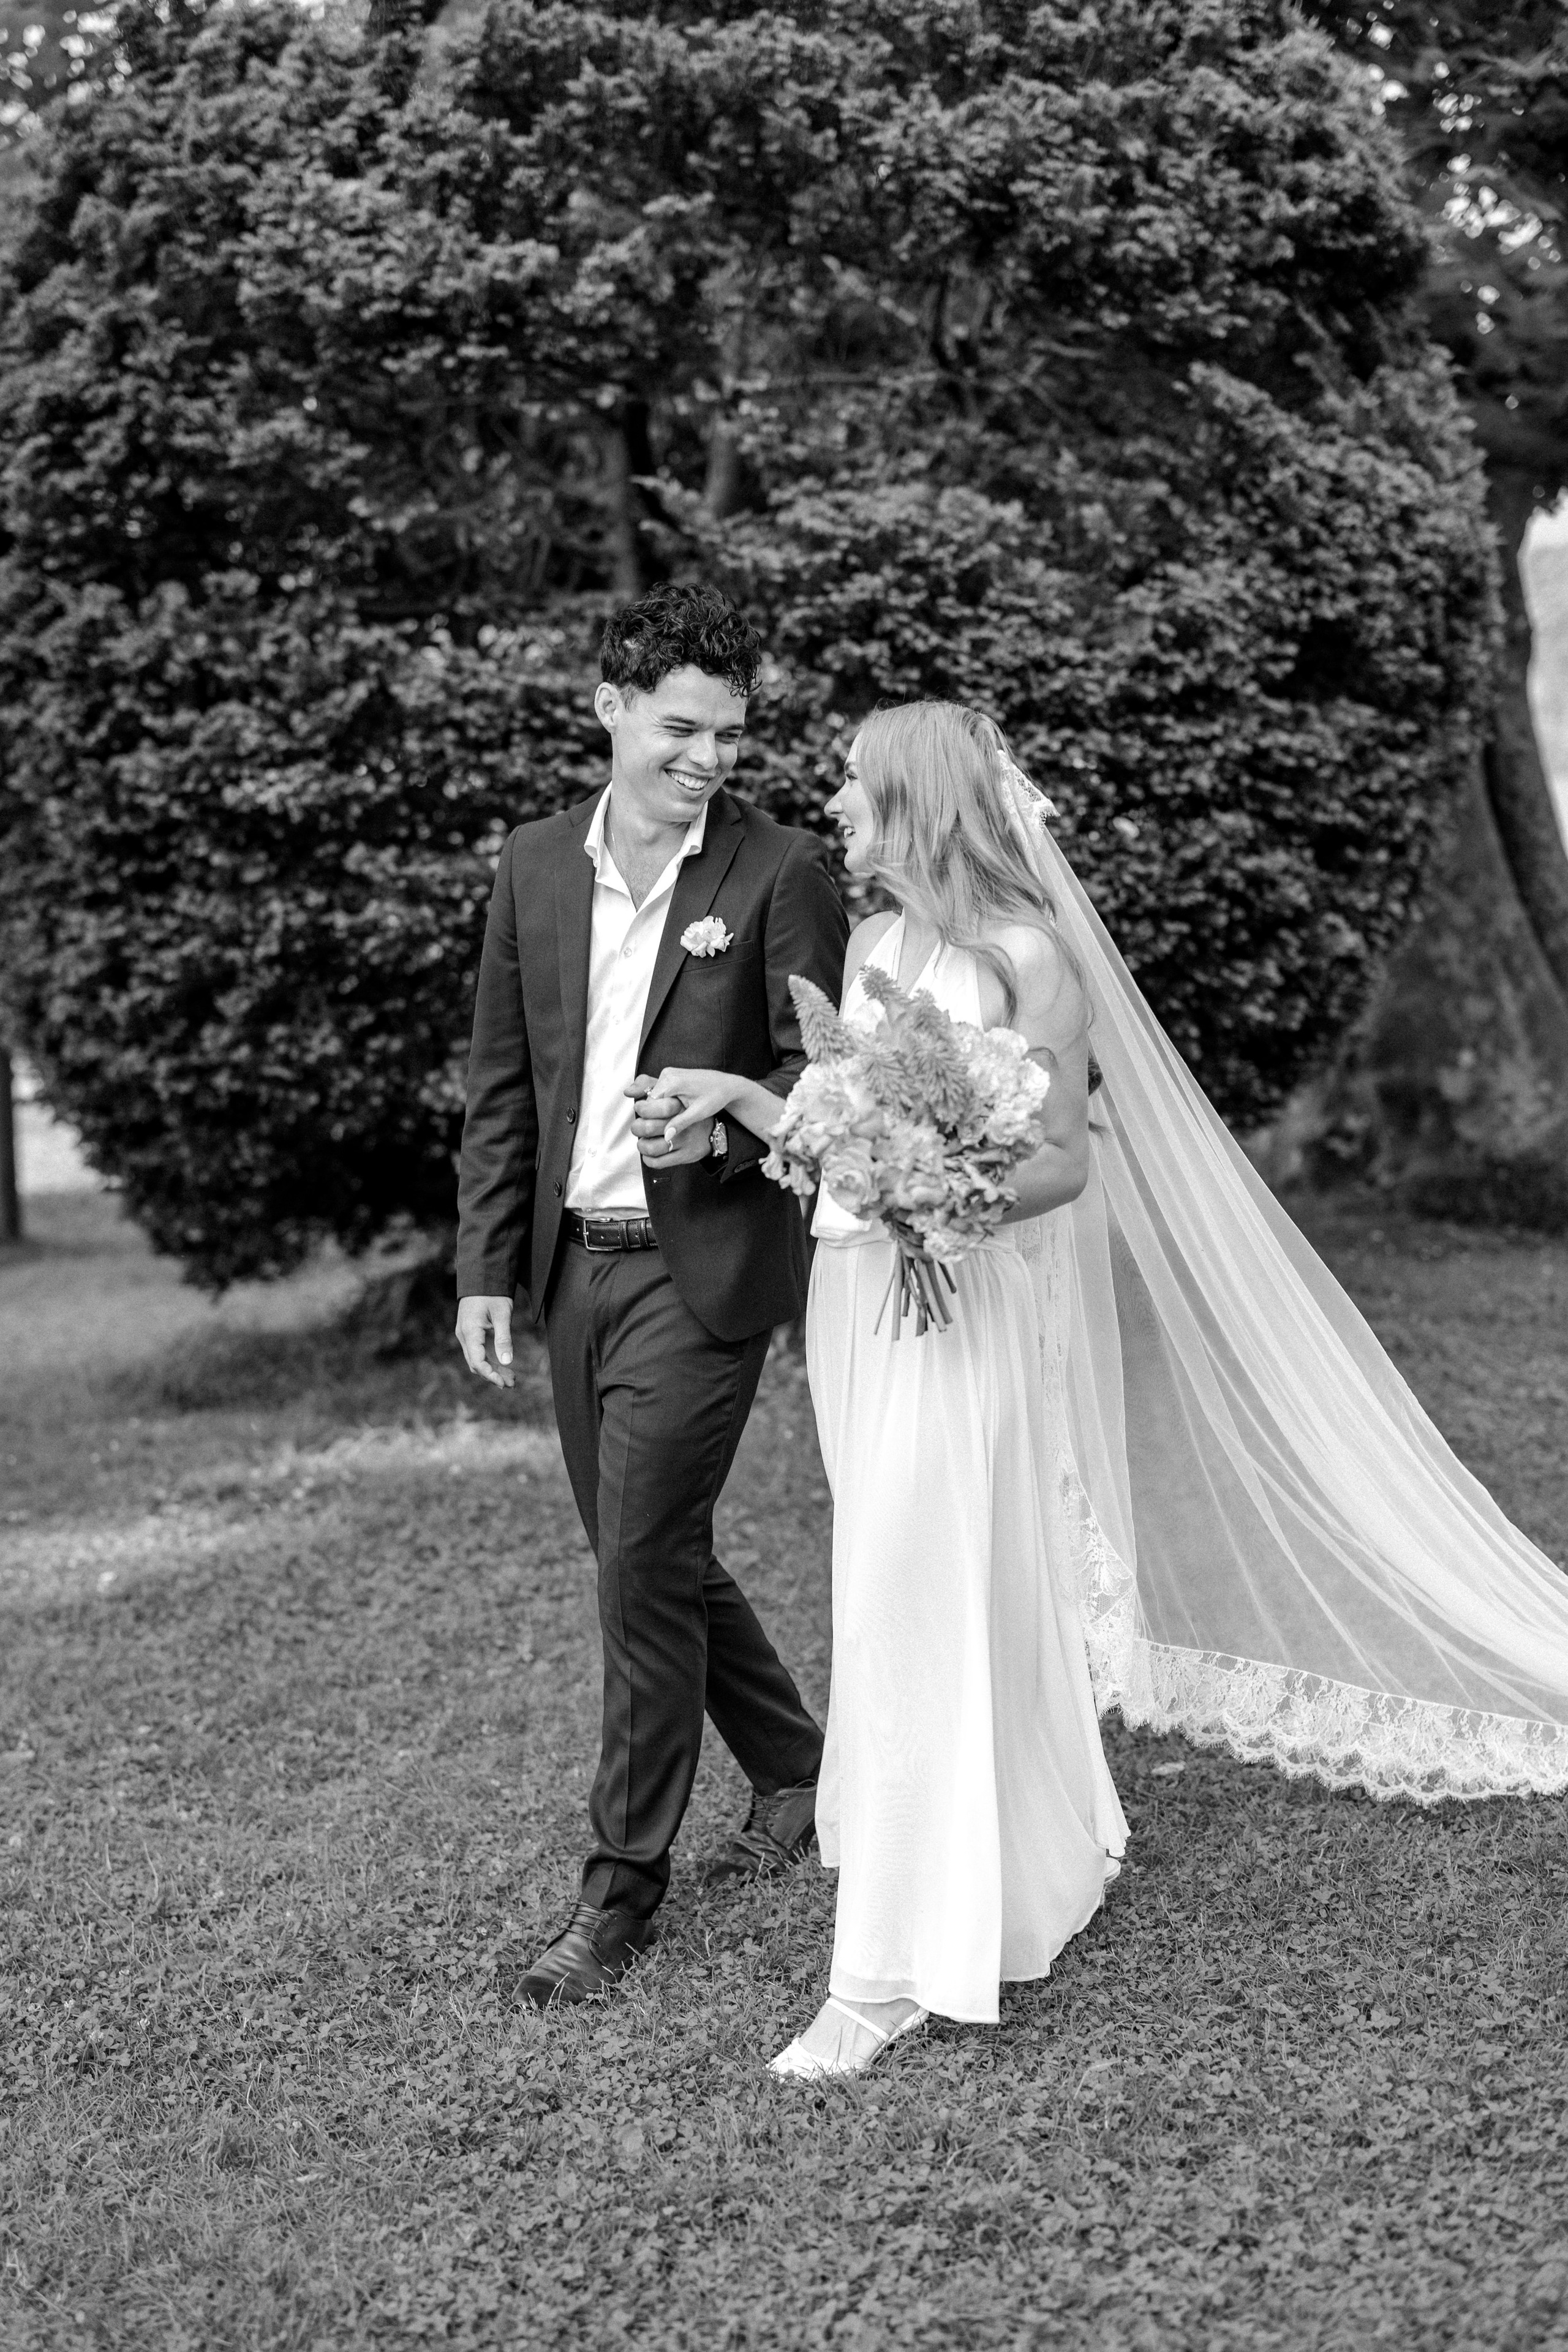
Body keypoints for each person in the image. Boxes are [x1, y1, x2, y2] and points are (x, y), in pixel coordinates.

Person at [650, 697, 1568, 2079]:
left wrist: (933, 1197)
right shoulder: (882, 944)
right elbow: (842, 1122)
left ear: (914, 800)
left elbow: (1062, 1165)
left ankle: (886, 1972)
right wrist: (738, 1093)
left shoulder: (1029, 960)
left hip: (957, 1307)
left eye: (851, 785)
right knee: (909, 1578)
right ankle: (1027, 1858)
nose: (832, 804)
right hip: (857, 1304)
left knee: (921, 1585)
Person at [454, 583, 849, 2008]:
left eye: (729, 735)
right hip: (576, 1272)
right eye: (680, 727)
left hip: (707, 1266)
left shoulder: (779, 869)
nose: (708, 757)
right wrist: (487, 1263)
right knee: (652, 1555)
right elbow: (506, 1077)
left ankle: (617, 1891)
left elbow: (830, 1073)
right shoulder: (531, 865)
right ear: (608, 704)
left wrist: (737, 1113)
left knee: (636, 1569)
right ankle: (799, 1768)